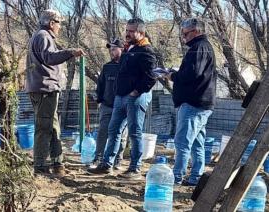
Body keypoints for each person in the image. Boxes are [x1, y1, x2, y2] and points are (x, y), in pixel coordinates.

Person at [88, 18, 157, 180]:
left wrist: (136, 91)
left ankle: (135, 168)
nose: (127, 33)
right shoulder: (128, 49)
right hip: (120, 97)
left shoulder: (146, 51)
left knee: (134, 132)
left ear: (141, 32)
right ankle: (106, 164)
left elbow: (151, 76)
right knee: (113, 131)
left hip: (136, 97)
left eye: (131, 31)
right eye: (126, 30)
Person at [25, 9, 85, 176]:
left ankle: (57, 163)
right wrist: (70, 52)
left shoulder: (39, 36)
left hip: (44, 89)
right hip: (45, 89)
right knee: (44, 128)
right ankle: (41, 166)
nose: (60, 27)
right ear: (51, 23)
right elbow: (49, 57)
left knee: (53, 127)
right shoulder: (43, 36)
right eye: (59, 24)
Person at [164, 18, 216, 186]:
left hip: (193, 103)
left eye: (185, 33)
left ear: (196, 31)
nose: (183, 37)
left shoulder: (198, 48)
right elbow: (195, 72)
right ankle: (196, 176)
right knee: (197, 143)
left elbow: (191, 74)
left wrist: (172, 76)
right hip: (202, 102)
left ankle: (176, 177)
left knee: (182, 143)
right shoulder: (203, 48)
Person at [95, 38, 128, 169]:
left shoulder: (127, 66)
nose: (112, 51)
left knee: (121, 134)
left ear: (122, 49)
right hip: (107, 106)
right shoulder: (107, 67)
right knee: (103, 132)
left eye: (114, 49)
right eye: (111, 49)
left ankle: (117, 160)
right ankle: (98, 158)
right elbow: (100, 85)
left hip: (122, 107)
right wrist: (100, 100)